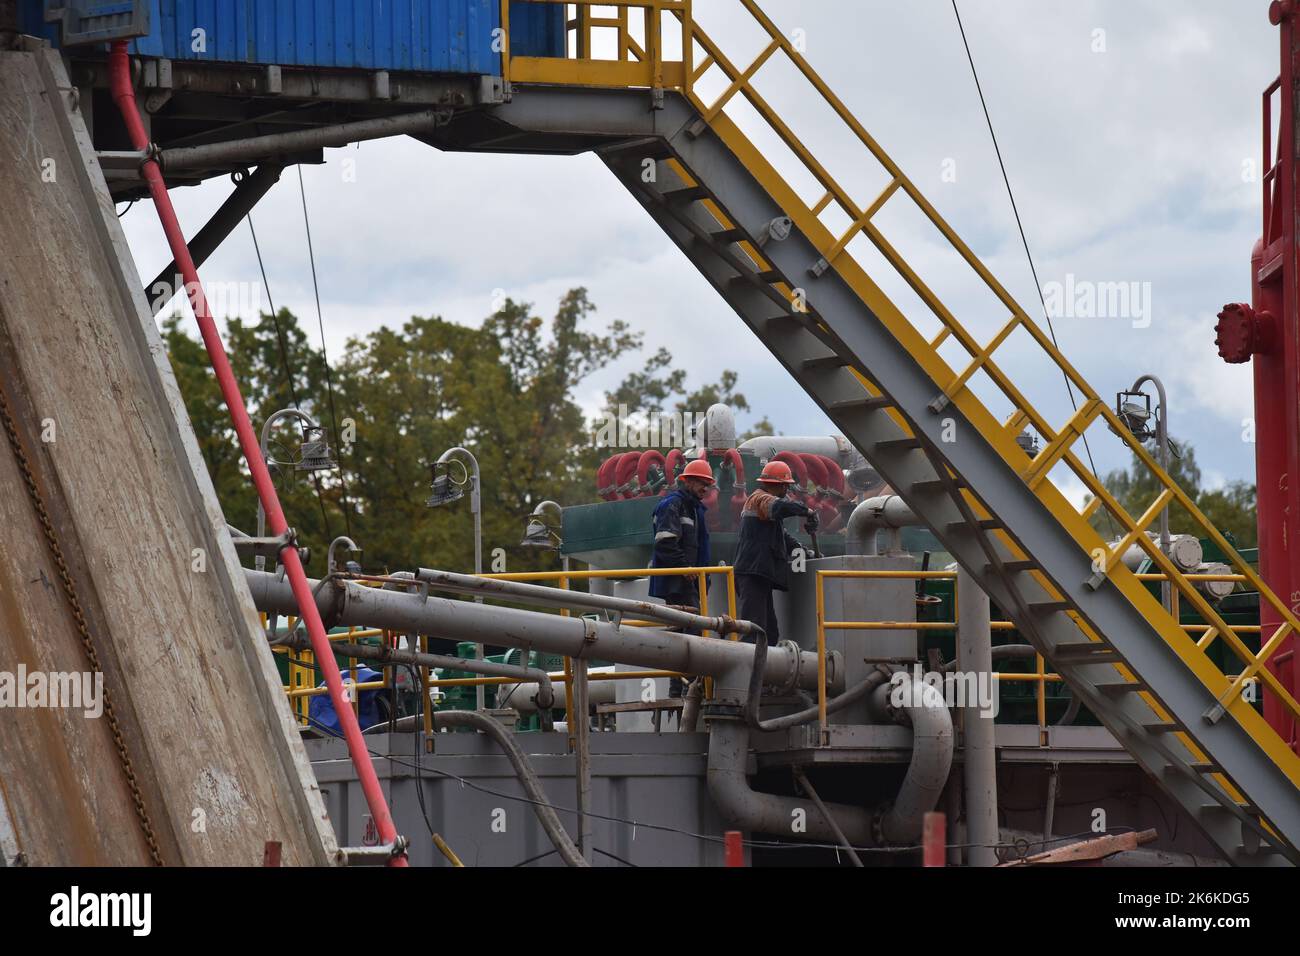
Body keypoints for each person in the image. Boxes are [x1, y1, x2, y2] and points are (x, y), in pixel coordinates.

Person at [734, 459, 819, 643]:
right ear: (777, 485)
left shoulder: (765, 510)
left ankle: (766, 670)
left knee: (769, 633)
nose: (787, 491)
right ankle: (747, 669)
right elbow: (781, 507)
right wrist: (807, 511)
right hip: (752, 573)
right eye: (785, 487)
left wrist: (803, 551)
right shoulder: (759, 499)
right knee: (753, 631)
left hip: (758, 574)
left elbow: (783, 537)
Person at [649, 458, 714, 700]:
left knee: (685, 635)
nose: (705, 488)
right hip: (677, 583)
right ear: (686, 480)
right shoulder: (672, 505)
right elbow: (665, 543)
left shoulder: (694, 508)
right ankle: (687, 688)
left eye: (707, 484)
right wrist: (684, 567)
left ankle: (684, 687)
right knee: (687, 635)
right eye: (701, 483)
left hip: (691, 582)